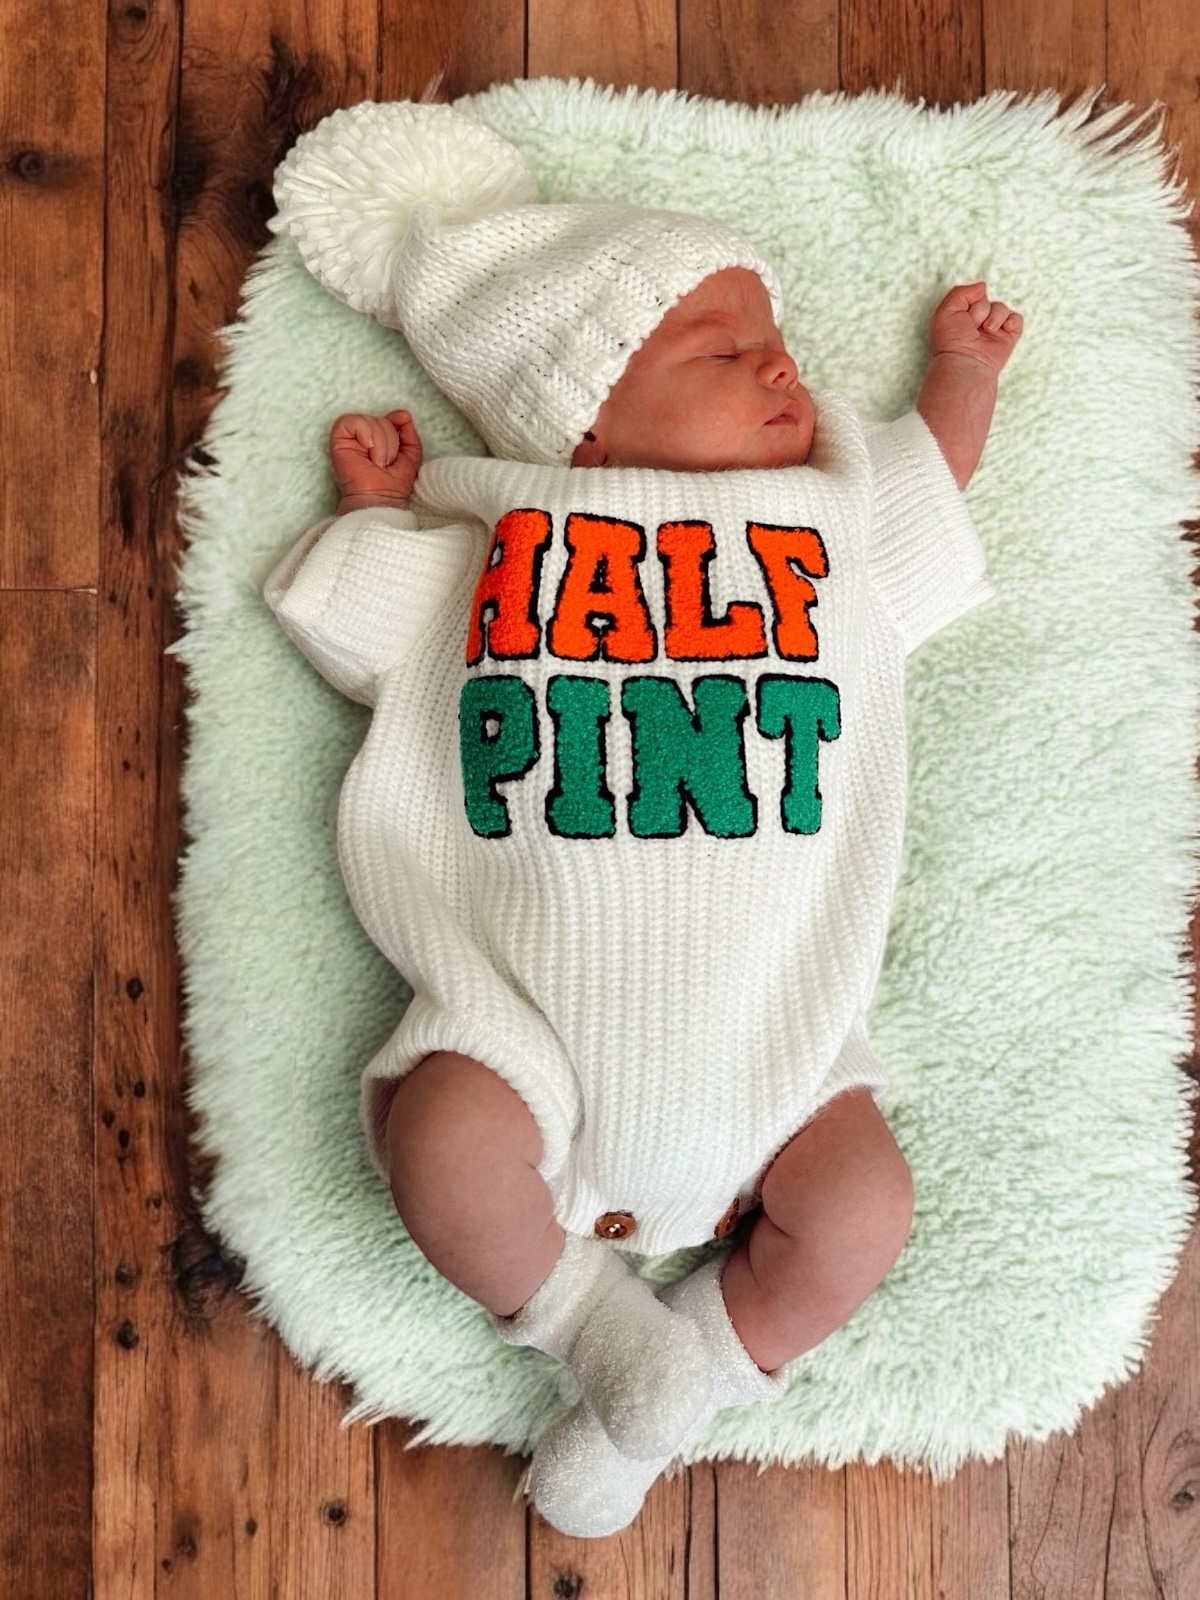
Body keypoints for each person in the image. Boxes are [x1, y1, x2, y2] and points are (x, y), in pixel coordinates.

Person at [265, 99, 1021, 1536]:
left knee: (862, 1213)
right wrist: (378, 514)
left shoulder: (825, 529)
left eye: (775, 341)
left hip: (777, 1043)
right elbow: (356, 631)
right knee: (443, 1144)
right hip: (526, 1026)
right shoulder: (505, 544)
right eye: (722, 351)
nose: (781, 368)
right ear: (586, 414)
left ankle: (684, 1394)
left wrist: (957, 372)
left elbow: (935, 493)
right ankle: (593, 1332)